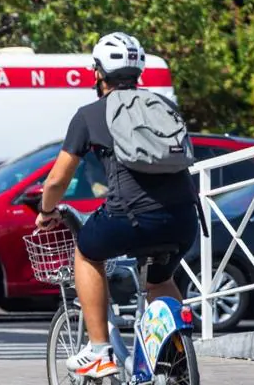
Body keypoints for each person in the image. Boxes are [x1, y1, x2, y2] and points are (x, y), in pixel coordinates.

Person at [36, 32, 199, 379]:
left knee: (87, 251)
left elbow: (56, 180)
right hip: (184, 218)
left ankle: (98, 350)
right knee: (160, 278)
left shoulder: (90, 115)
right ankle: (174, 357)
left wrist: (47, 211)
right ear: (137, 73)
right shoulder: (164, 107)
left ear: (98, 73)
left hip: (130, 218)